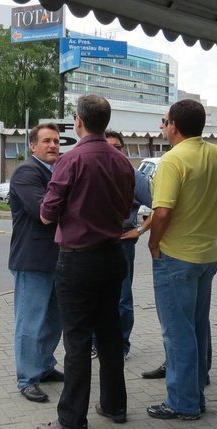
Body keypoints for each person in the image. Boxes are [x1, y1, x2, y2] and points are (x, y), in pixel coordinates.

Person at [145, 99, 217, 421]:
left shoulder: (172, 160)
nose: (161, 126)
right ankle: (196, 385)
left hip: (176, 258)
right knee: (196, 325)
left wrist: (154, 244)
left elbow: (163, 211)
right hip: (208, 256)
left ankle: (183, 403)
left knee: (177, 332)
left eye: (164, 121)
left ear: (175, 126)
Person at [37, 95, 135, 429]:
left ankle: (72, 420)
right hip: (113, 255)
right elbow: (126, 207)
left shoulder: (71, 160)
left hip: (78, 259)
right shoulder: (123, 162)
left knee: (77, 340)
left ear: (79, 121)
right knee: (109, 334)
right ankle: (114, 405)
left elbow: (48, 213)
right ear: (104, 122)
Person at [8, 123, 65, 404]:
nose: (53, 145)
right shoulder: (26, 173)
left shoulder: (54, 171)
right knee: (30, 323)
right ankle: (27, 379)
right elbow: (46, 212)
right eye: (46, 141)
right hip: (31, 260)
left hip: (57, 259)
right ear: (33, 146)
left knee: (55, 321)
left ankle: (44, 366)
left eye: (56, 141)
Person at [91, 131, 153, 361]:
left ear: (124, 150)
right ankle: (96, 343)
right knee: (94, 296)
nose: (113, 150)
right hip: (93, 243)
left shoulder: (134, 177)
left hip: (121, 243)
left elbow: (162, 206)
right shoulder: (91, 172)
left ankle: (121, 344)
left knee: (122, 299)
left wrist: (140, 229)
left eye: (118, 146)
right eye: (108, 146)